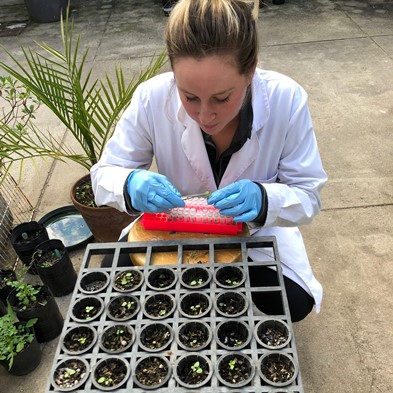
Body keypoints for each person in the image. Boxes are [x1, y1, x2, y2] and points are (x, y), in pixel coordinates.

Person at [91, 0, 327, 322]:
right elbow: (104, 174)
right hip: (172, 229)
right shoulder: (151, 98)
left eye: (221, 98)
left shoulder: (287, 100)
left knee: (295, 301)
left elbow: (308, 194)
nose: (205, 115)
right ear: (173, 72)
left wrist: (264, 200)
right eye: (189, 97)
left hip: (252, 234)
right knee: (113, 282)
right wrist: (130, 184)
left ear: (251, 70)